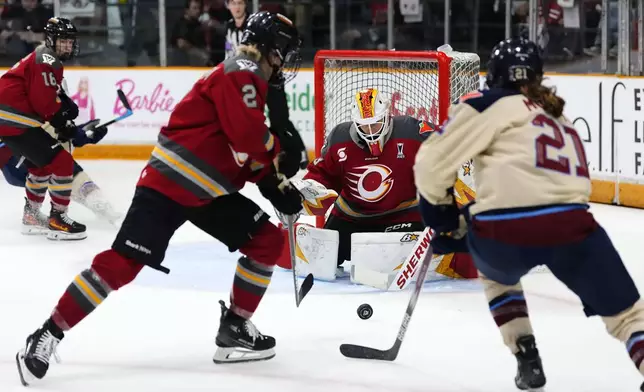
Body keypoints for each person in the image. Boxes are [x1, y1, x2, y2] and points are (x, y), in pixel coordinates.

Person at [15, 11, 304, 386]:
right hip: (168, 185)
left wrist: (272, 180)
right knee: (120, 264)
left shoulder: (246, 76)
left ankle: (234, 327)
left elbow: (238, 149)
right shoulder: (243, 69)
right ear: (268, 46)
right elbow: (250, 140)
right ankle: (46, 334)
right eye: (281, 49)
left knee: (266, 242)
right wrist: (276, 169)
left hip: (206, 191)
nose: (283, 59)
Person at [413, 37, 644, 391]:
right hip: (573, 225)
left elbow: (430, 163)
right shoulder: (558, 114)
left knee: (497, 277)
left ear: (493, 74)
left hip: (504, 230)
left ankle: (526, 355)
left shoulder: (485, 101)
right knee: (629, 315)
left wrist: (443, 219)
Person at [286, 88, 476, 281]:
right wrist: (304, 192)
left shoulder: (412, 131)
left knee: (383, 262)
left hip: (405, 213)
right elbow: (322, 175)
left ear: (387, 116)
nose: (370, 132)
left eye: (375, 125)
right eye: (364, 126)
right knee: (320, 259)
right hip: (353, 216)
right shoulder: (339, 139)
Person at [0, 17, 86, 240]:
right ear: (51, 39)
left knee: (41, 167)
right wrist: (63, 123)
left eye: (70, 41)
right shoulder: (48, 59)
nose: (68, 45)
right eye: (63, 41)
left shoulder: (42, 57)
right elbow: (44, 103)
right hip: (14, 120)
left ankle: (31, 217)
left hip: (10, 120)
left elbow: (44, 100)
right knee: (63, 162)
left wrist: (62, 118)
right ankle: (58, 218)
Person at [224, 0, 308, 172]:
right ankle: (294, 152)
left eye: (240, 3)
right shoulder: (235, 29)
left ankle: (299, 151)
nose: (237, 7)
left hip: (265, 77)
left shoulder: (255, 25)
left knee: (280, 117)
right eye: (233, 3)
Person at [0, 120, 121, 227]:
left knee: (59, 161)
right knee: (59, 163)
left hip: (19, 161)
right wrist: (76, 133)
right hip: (19, 163)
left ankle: (94, 200)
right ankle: (93, 198)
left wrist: (76, 133)